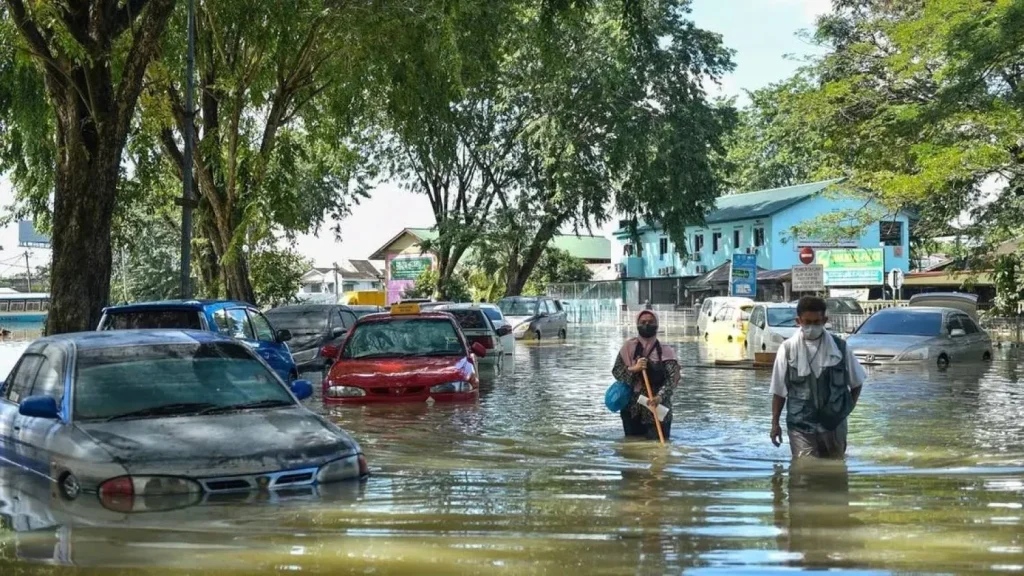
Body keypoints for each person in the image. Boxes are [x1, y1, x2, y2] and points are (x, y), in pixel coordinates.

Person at [770, 296, 865, 459]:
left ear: (825, 320)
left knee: (835, 472)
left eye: (816, 322)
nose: (812, 327)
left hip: (834, 425)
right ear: (798, 321)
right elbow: (779, 392)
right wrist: (775, 424)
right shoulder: (787, 350)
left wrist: (845, 410)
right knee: (804, 471)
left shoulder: (840, 348)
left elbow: (857, 383)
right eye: (807, 322)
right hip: (800, 425)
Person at [612, 311, 680, 439]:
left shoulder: (666, 351)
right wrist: (634, 368)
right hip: (632, 409)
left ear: (657, 325)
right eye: (643, 322)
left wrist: (659, 397)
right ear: (637, 325)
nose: (647, 325)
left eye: (650, 322)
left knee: (658, 450)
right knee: (633, 449)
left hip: (658, 409)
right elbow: (617, 372)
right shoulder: (628, 348)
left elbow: (672, 380)